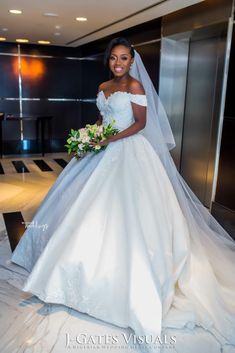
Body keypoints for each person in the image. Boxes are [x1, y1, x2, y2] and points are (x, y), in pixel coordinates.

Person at [11, 37, 235, 353]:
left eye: (124, 58)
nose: (119, 63)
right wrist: (92, 136)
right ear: (109, 60)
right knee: (80, 209)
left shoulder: (137, 88)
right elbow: (103, 120)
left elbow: (141, 124)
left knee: (129, 213)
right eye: (114, 58)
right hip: (103, 148)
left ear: (132, 62)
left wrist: (108, 140)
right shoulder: (103, 85)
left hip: (130, 153)